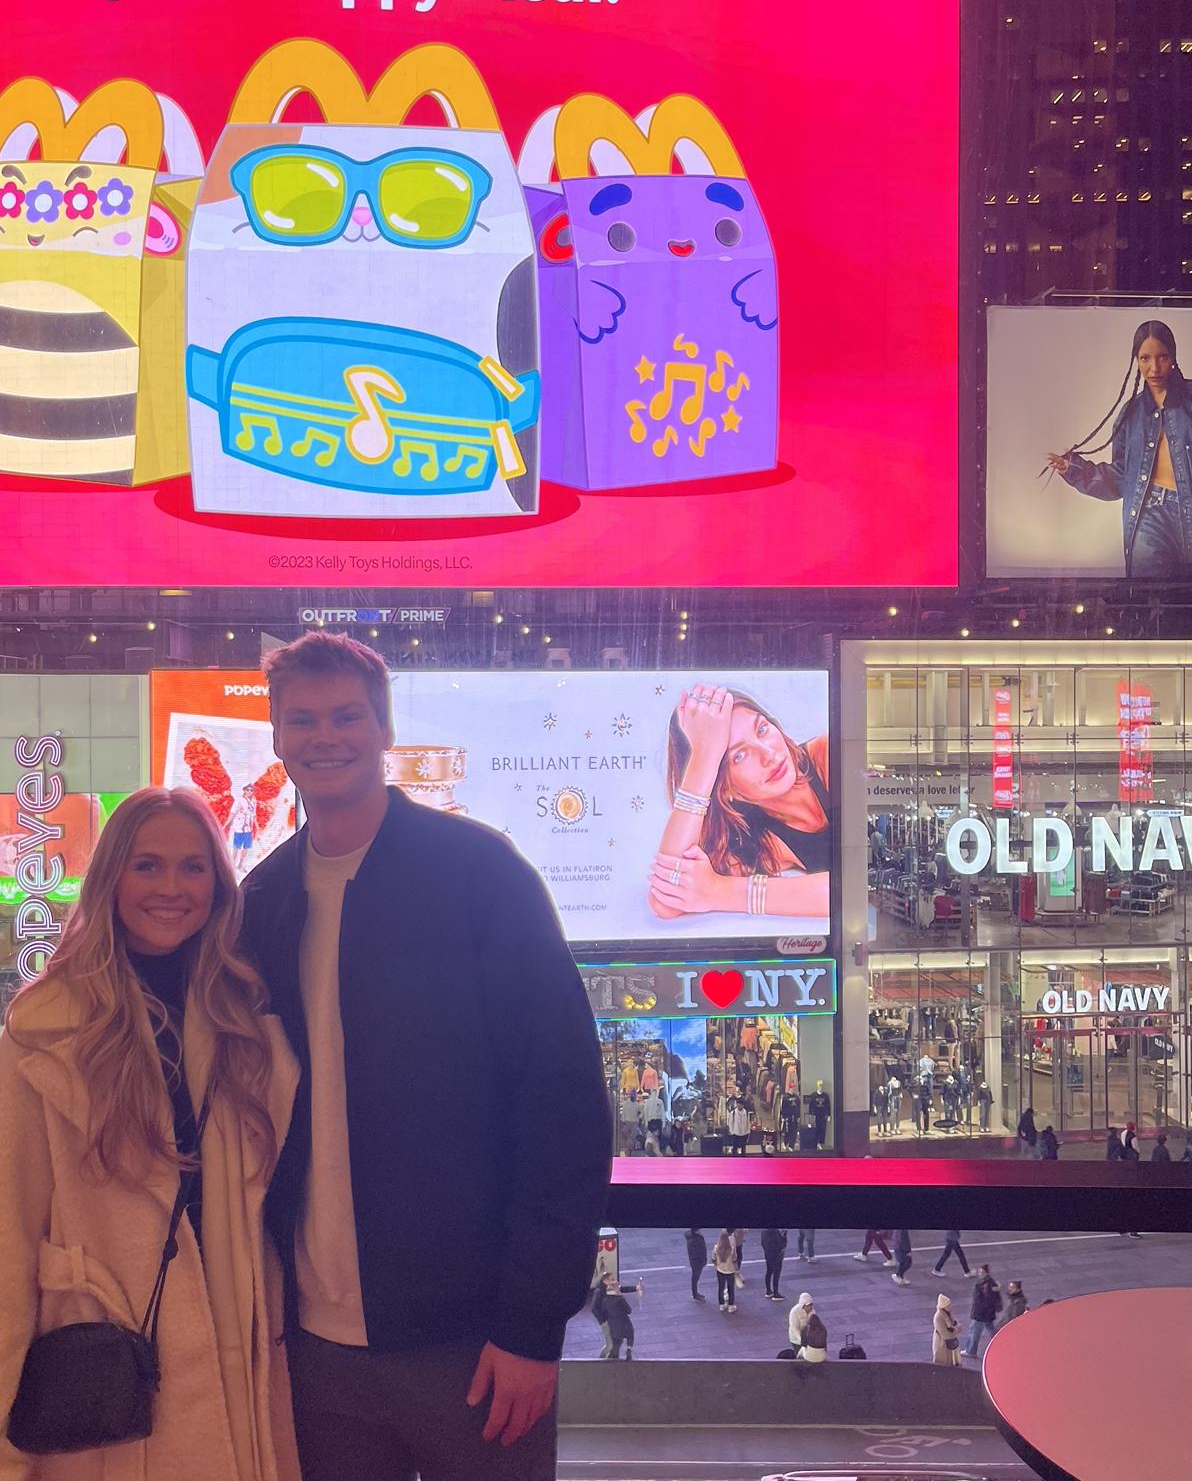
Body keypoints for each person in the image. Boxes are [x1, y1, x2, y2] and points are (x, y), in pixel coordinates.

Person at [240, 632, 613, 1478]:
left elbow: (562, 1106)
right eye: (303, 719)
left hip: (473, 1346)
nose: (325, 736)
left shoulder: (479, 874)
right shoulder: (263, 900)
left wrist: (531, 1328)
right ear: (278, 737)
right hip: (312, 1352)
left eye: (347, 717)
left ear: (384, 730)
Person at [0, 787, 300, 1481]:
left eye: (193, 867)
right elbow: (2, 1248)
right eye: (147, 865)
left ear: (218, 886)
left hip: (240, 1365)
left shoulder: (244, 1022)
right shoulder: (42, 1036)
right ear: (111, 877)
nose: (172, 887)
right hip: (108, 1394)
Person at [649, 685, 830, 922]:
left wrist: (717, 891)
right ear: (723, 787)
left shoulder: (828, 755)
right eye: (739, 756)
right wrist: (703, 758)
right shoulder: (760, 841)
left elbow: (852, 884)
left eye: (762, 729)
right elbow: (666, 900)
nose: (768, 754)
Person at [1046, 319, 1192, 577]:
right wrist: (1076, 469)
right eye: (1145, 358)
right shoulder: (1130, 413)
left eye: (1163, 357)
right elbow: (1122, 477)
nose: (1154, 368)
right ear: (1136, 360)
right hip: (1149, 515)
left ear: (1173, 357)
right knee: (1149, 593)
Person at [962, 1265, 1001, 1357]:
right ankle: (1000, 1341)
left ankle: (971, 1351)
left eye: (982, 1272)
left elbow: (985, 1300)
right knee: (990, 1328)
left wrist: (979, 1311)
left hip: (981, 1313)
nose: (980, 1274)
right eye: (979, 1272)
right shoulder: (989, 1282)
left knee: (974, 1331)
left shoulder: (986, 1285)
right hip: (987, 1313)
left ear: (986, 1273)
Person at [599, 1277, 640, 1361]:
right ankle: (629, 1349)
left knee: (617, 1342)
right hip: (624, 1322)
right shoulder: (620, 1299)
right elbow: (629, 1310)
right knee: (630, 1335)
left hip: (613, 1325)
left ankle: (612, 1358)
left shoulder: (605, 1300)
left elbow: (603, 1311)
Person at [712, 1231, 740, 1313]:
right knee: (731, 1289)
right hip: (730, 1271)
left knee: (721, 1288)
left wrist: (716, 1266)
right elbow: (734, 1261)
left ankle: (721, 1305)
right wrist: (737, 1270)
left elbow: (713, 1259)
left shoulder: (716, 1248)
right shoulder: (731, 1250)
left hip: (720, 1270)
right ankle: (731, 1306)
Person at [760, 1228, 788, 1301]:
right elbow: (781, 1245)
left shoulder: (764, 1232)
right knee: (776, 1274)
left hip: (768, 1255)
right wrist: (784, 1235)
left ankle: (768, 1290)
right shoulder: (775, 1232)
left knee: (769, 1272)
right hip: (777, 1256)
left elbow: (762, 1243)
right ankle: (776, 1293)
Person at [933, 1294, 961, 1366]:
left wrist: (956, 1326)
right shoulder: (938, 1318)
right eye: (948, 1305)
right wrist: (956, 1330)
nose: (950, 1306)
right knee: (942, 1364)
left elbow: (953, 1323)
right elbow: (946, 1335)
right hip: (942, 1344)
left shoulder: (947, 1314)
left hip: (948, 1344)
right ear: (944, 1307)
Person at [684, 1229, 708, 1302]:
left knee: (694, 1278)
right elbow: (701, 1251)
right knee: (695, 1278)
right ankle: (695, 1295)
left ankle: (695, 1293)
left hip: (693, 1260)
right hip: (698, 1262)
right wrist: (704, 1260)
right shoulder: (698, 1239)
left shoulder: (689, 1236)